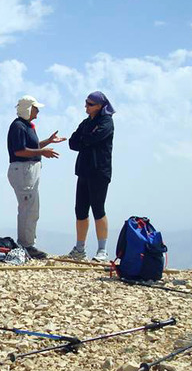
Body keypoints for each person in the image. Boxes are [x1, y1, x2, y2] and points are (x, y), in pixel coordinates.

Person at [6, 95, 66, 259]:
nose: (38, 111)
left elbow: (31, 147)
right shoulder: (18, 126)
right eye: (35, 108)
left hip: (27, 170)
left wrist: (48, 142)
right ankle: (25, 246)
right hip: (23, 170)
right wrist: (42, 152)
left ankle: (28, 244)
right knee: (28, 208)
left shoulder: (25, 126)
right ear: (27, 109)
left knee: (32, 208)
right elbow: (19, 151)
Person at [67, 91, 115, 261]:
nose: (86, 106)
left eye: (90, 104)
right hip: (83, 171)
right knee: (80, 210)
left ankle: (102, 250)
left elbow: (93, 139)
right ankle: (80, 248)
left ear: (100, 106)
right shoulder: (86, 123)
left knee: (98, 209)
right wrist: (85, 140)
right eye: (86, 103)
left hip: (99, 172)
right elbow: (73, 142)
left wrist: (84, 140)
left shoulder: (107, 122)